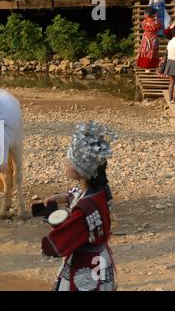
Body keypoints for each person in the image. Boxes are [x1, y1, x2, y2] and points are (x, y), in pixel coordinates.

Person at [40, 121, 118, 291]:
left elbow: (54, 246)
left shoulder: (84, 209)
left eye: (70, 160)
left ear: (82, 169)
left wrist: (53, 217)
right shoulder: (99, 190)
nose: (66, 162)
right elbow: (80, 192)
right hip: (100, 260)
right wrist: (66, 196)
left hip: (85, 269)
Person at [137, 7, 162, 72]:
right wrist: (155, 19)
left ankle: (146, 67)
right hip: (154, 38)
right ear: (154, 14)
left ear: (147, 14)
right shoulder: (157, 22)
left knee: (145, 51)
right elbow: (160, 26)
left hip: (146, 37)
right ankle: (154, 66)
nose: (144, 14)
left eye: (145, 13)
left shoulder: (144, 22)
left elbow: (142, 26)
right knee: (153, 51)